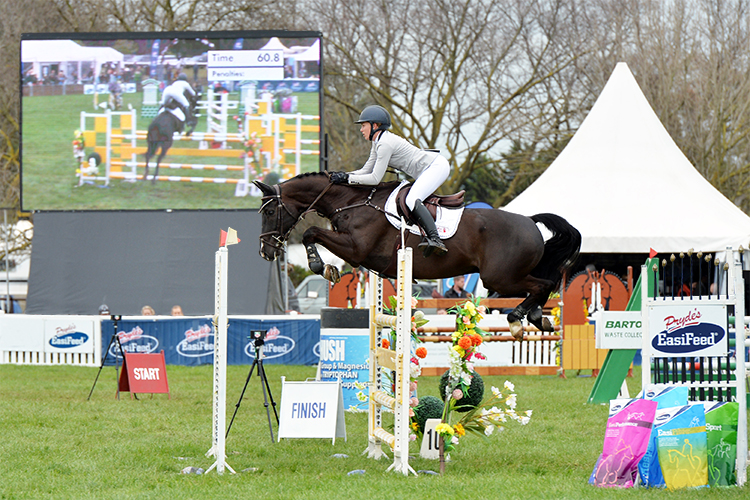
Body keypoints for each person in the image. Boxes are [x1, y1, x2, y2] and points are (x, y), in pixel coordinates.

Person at [329, 105, 450, 257]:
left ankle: (435, 238)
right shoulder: (378, 142)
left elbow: (374, 179)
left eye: (363, 125)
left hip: (436, 167)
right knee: (411, 199)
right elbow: (365, 170)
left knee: (411, 199)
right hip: (428, 168)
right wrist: (343, 177)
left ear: (375, 125)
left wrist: (347, 178)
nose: (361, 130)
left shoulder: (385, 144)